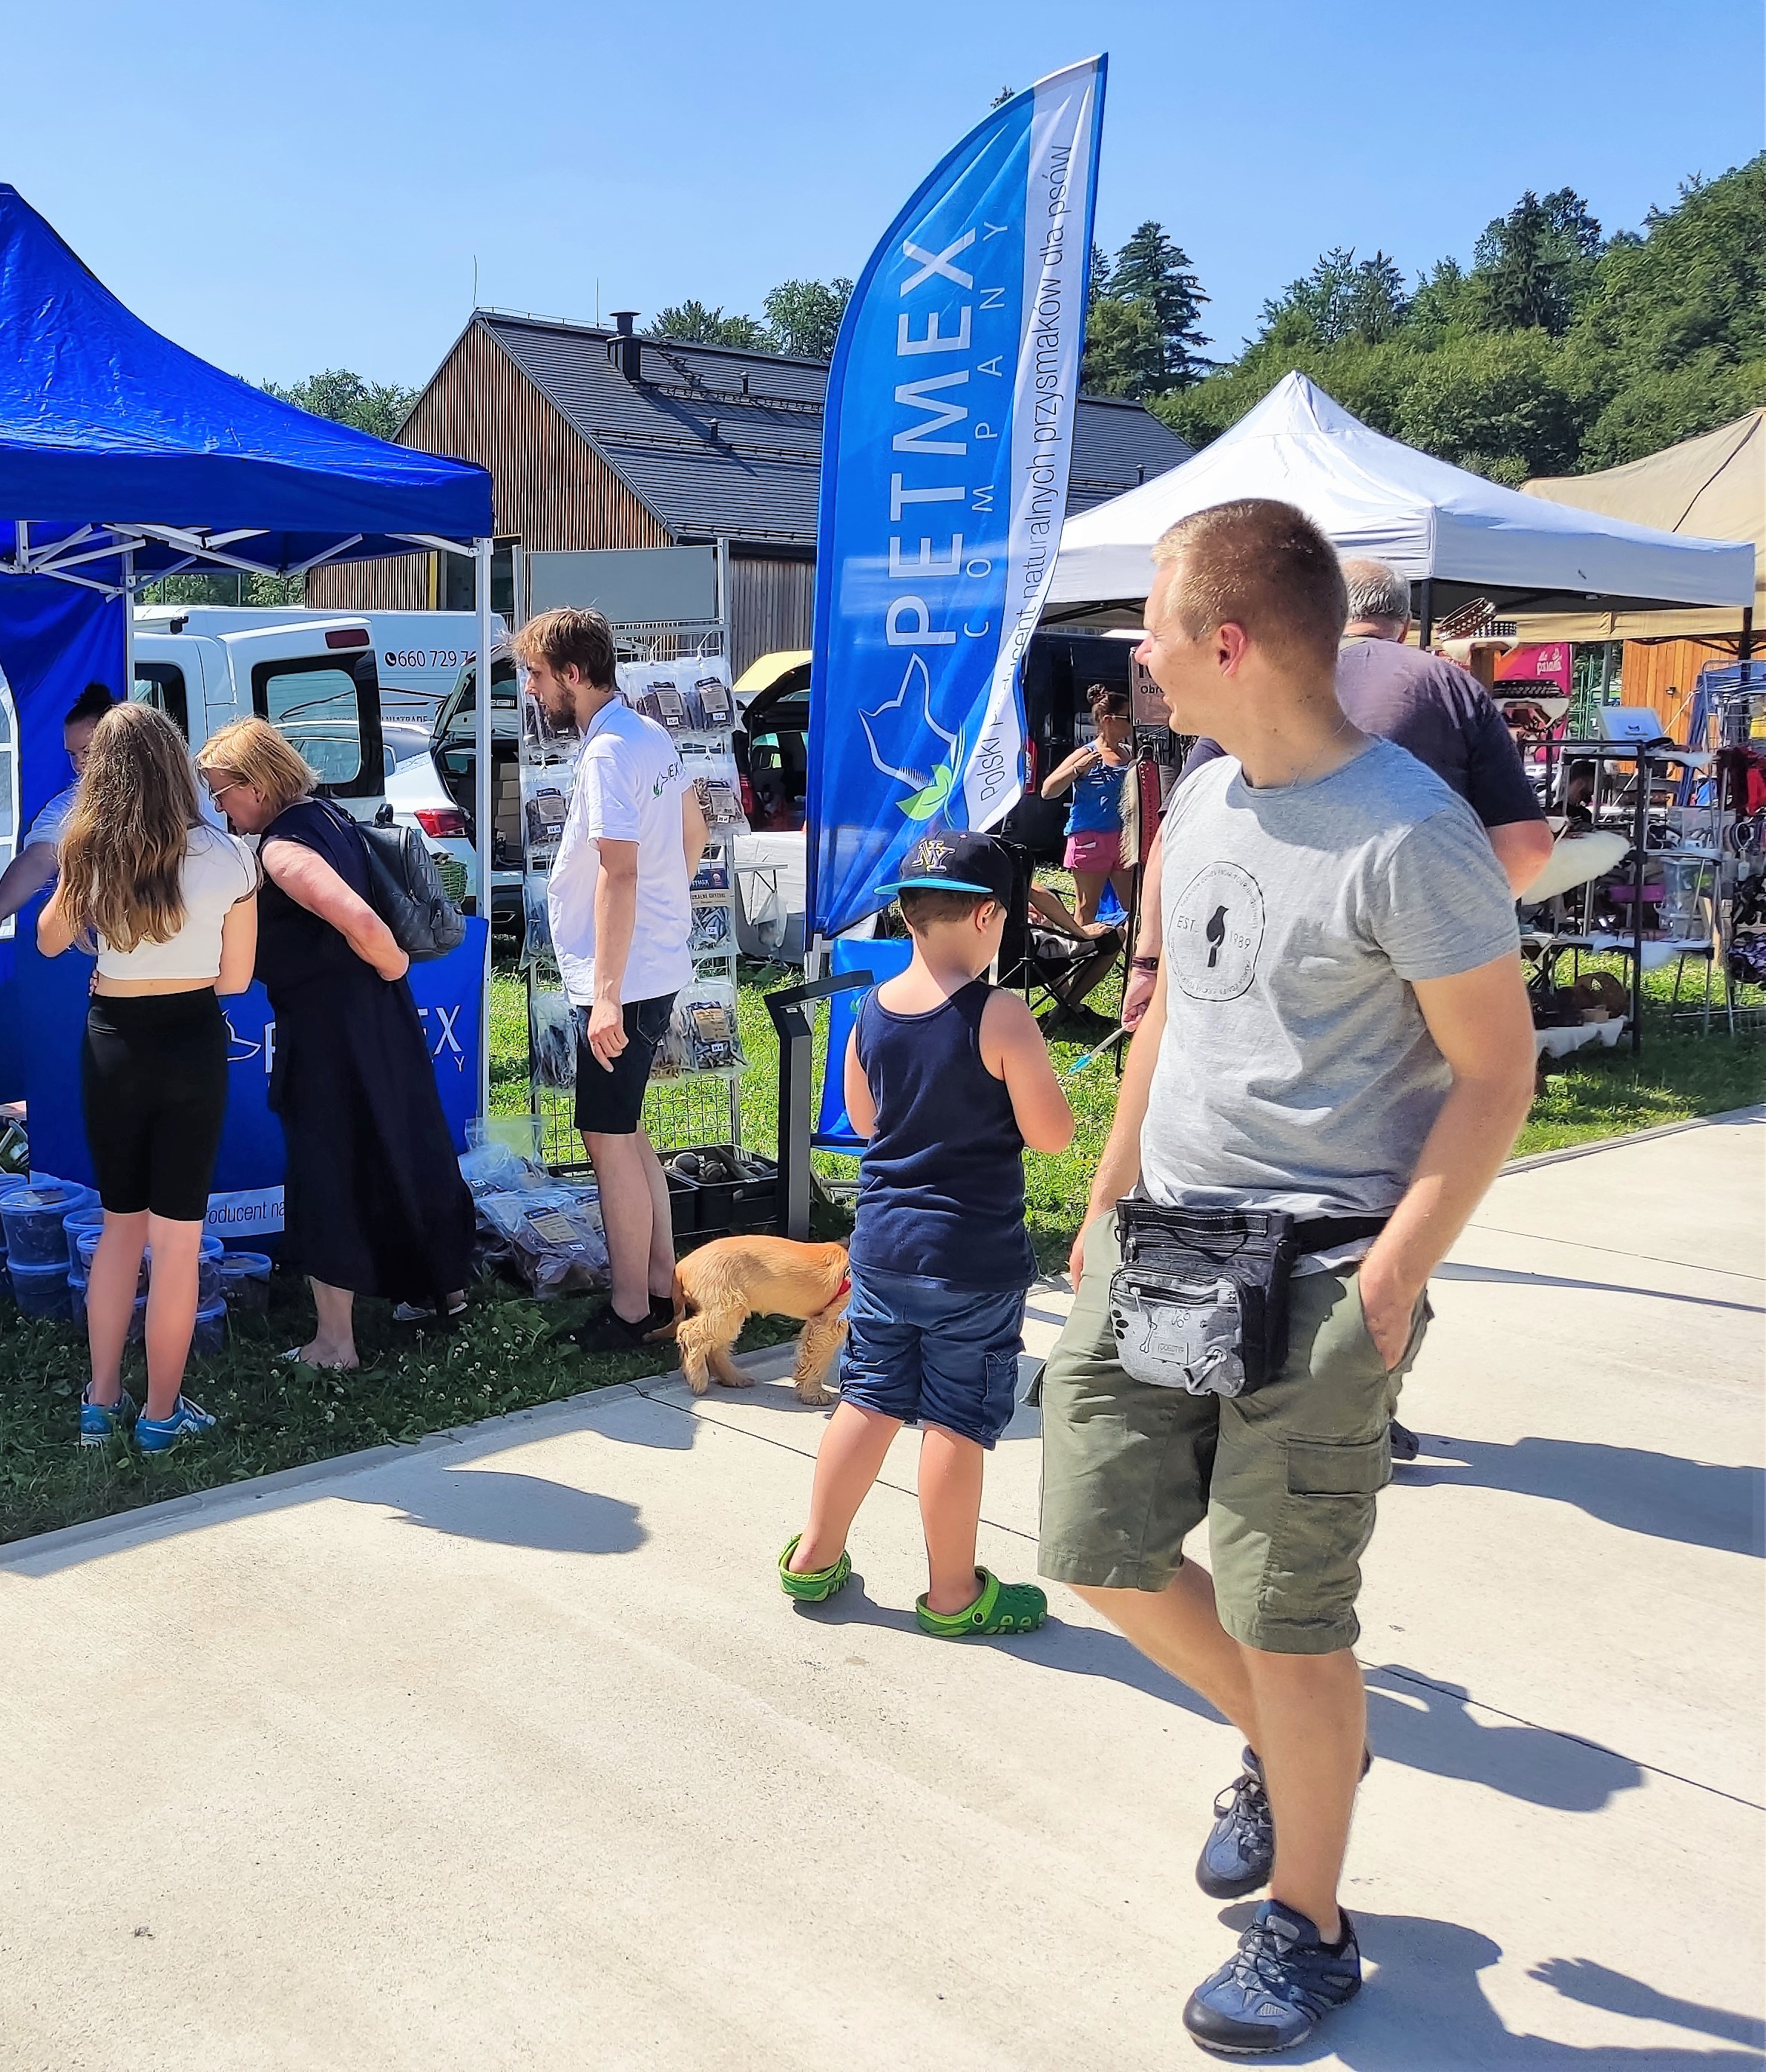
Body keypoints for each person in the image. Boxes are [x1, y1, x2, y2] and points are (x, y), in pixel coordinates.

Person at [1040, 499, 1533, 2056]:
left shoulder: (1409, 834)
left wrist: (1392, 1278)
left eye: (1157, 627)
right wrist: (1106, 1194)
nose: (1139, 655)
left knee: (1286, 1614)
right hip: (1164, 1241)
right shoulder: (1199, 791)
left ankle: (1310, 1925)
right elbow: (1172, 1013)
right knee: (1096, 1545)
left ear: (1231, 643)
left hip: (1323, 1271)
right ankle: (1297, 1748)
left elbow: (1497, 1073)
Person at [1125, 557, 1554, 1463]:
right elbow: (1523, 847)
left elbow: (1174, 856)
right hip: (1318, 1175)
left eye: (1154, 631)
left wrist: (1152, 956)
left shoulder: (1244, 717)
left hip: (1240, 1189)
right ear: (1398, 621)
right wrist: (1437, 935)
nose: (1141, 652)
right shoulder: (1439, 685)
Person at [777, 830, 1075, 1633]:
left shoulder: (870, 1010)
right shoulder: (1000, 1013)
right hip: (970, 1260)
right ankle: (952, 1595)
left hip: (883, 1248)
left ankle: (814, 1556)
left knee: (868, 1398)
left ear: (907, 916)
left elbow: (864, 1117)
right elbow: (1051, 1135)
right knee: (953, 1421)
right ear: (986, 917)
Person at [197, 718, 476, 1367]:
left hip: (328, 1029)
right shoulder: (328, 816)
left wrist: (392, 963)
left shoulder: (281, 849)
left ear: (256, 784)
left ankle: (334, 1341)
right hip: (376, 1015)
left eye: (221, 791)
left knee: (326, 1170)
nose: (220, 807)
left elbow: (361, 921)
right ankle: (443, 1290)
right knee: (407, 1142)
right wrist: (386, 977)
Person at [36, 701, 259, 1453]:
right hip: (190, 1038)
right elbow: (236, 979)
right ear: (175, 766)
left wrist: (80, 882)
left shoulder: (88, 849)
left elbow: (48, 942)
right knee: (177, 1240)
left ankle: (98, 1404)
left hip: (113, 1040)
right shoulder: (230, 856)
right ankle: (161, 1415)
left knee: (119, 1229)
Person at [517, 606, 708, 1351]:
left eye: (536, 674)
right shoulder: (646, 731)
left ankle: (632, 1309)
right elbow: (693, 831)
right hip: (645, 965)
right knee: (626, 1131)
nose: (530, 689)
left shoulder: (605, 753)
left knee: (606, 1136)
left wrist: (604, 995)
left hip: (622, 980)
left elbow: (618, 872)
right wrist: (666, 914)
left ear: (573, 673)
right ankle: (660, 1287)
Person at [0, 683, 116, 945]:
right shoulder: (66, 806)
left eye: (87, 751)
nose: (79, 763)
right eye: (72, 754)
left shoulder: (165, 795)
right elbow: (38, 858)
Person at [1040, 687, 1138, 926]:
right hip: (1090, 839)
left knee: (1134, 908)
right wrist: (1078, 769)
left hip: (1123, 839)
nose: (1132, 724)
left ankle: (1128, 948)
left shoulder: (1129, 754)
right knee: (1087, 909)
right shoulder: (1086, 753)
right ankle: (1081, 948)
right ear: (1108, 720)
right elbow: (1048, 790)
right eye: (1128, 718)